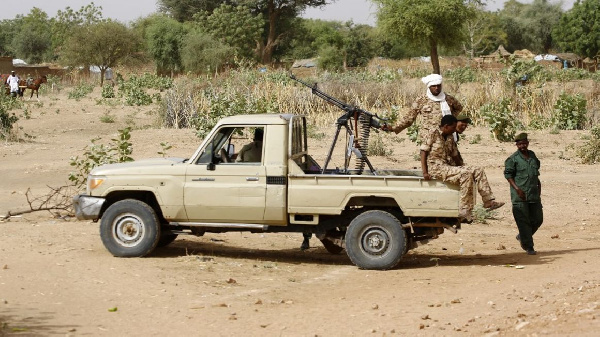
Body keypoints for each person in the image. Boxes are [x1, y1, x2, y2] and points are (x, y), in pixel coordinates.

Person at [421, 115, 504, 222]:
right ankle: (465, 210)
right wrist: (425, 172)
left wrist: (464, 167)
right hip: (436, 168)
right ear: (446, 126)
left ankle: (488, 201)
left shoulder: (450, 137)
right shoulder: (433, 133)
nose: (454, 129)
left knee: (478, 170)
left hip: (447, 166)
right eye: (453, 127)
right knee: (465, 174)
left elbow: (455, 156)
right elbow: (423, 152)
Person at [382, 73, 463, 143]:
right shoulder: (421, 100)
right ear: (429, 87)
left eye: (438, 86)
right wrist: (393, 128)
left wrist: (450, 119)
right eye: (433, 86)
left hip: (447, 136)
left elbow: (459, 108)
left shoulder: (448, 99)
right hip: (428, 138)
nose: (437, 88)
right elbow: (409, 118)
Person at [504, 133, 543, 255]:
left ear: (528, 143)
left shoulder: (532, 155)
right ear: (516, 145)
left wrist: (539, 189)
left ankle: (523, 236)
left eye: (524, 143)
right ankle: (529, 246)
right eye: (520, 144)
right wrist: (518, 189)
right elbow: (508, 175)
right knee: (523, 221)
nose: (523, 146)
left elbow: (536, 173)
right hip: (519, 196)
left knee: (538, 219)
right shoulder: (513, 159)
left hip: (533, 194)